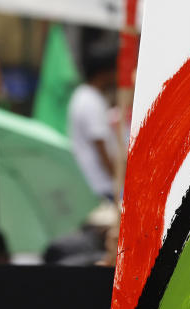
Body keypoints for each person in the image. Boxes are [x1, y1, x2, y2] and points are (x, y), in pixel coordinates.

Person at [68, 42, 120, 202]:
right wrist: (117, 181)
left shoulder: (82, 95)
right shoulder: (91, 102)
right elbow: (101, 149)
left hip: (89, 184)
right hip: (99, 187)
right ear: (103, 73)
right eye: (114, 70)